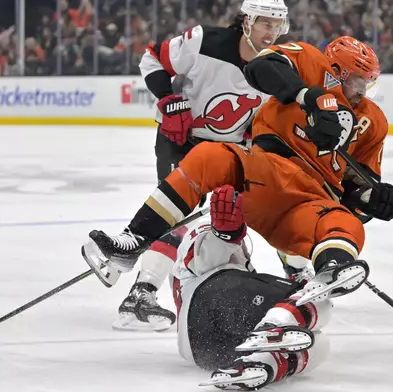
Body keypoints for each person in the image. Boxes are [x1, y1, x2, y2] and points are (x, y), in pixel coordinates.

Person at [80, 36, 393, 323]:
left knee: (343, 223)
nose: (361, 92)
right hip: (266, 170)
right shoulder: (307, 60)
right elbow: (262, 66)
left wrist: (375, 199)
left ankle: (328, 267)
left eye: (367, 84)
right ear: (334, 70)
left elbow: (358, 191)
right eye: (357, 81)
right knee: (207, 159)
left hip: (312, 198)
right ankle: (132, 242)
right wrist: (308, 95)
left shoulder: (373, 121)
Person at [110, 0, 290, 332]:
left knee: (253, 209)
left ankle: (294, 276)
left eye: (278, 26)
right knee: (176, 214)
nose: (272, 33)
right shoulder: (205, 40)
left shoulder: (276, 67)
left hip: (227, 150)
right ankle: (142, 293)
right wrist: (166, 99)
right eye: (266, 24)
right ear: (247, 22)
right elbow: (152, 59)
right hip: (181, 139)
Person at [172, 185, 331, 390]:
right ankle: (268, 329)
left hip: (208, 350)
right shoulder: (204, 226)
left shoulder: (237, 260)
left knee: (318, 344)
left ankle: (259, 364)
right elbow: (201, 261)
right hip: (205, 304)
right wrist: (223, 233)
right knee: (312, 298)